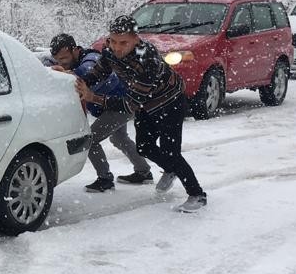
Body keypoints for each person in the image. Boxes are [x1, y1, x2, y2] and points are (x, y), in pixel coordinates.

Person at [75, 15, 207, 213]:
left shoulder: (148, 60)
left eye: (123, 43)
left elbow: (129, 104)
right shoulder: (110, 50)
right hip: (146, 104)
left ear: (136, 39)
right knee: (144, 146)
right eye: (113, 41)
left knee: (171, 152)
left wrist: (92, 97)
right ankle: (170, 169)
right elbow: (99, 72)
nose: (117, 47)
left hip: (170, 103)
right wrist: (75, 78)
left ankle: (197, 195)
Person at [48, 33, 153, 192]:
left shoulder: (91, 58)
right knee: (119, 138)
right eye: (58, 59)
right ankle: (143, 172)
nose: (62, 63)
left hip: (120, 105)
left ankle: (105, 179)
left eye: (64, 58)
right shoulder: (72, 62)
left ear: (75, 50)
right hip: (111, 105)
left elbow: (85, 71)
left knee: (90, 140)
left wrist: (67, 73)